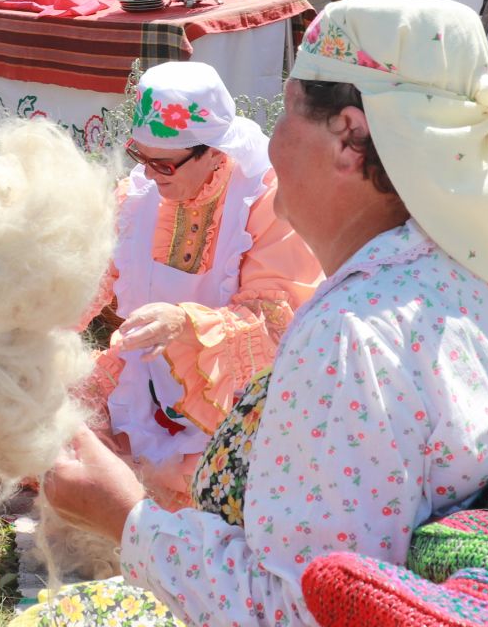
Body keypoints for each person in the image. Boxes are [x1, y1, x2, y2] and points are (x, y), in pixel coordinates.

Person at [4, 0, 488, 627]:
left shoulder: (351, 337)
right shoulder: (472, 270)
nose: (270, 140)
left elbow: (302, 625)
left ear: (350, 138)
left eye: (287, 110)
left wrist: (123, 513)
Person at [75, 63, 322, 510]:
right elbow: (89, 278)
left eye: (163, 163)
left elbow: (279, 324)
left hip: (231, 399)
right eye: (140, 157)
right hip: (145, 376)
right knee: (59, 423)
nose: (149, 175)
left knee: (212, 488)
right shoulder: (139, 195)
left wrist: (184, 324)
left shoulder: (269, 203)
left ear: (215, 152)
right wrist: (40, 319)